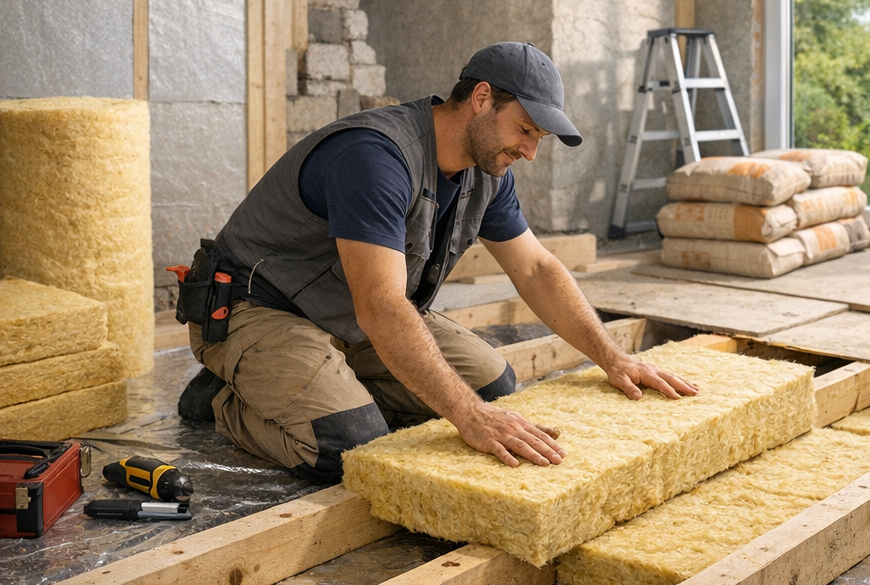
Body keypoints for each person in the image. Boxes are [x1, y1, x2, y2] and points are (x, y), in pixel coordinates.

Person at [178, 41, 698, 482]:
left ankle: (322, 392)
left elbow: (536, 269)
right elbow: (383, 305)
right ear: (480, 98)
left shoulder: (487, 172)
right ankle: (227, 397)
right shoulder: (375, 158)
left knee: (495, 387)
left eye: (538, 138)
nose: (530, 151)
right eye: (525, 130)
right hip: (260, 310)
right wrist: (468, 418)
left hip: (345, 318)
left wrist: (614, 358)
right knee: (347, 448)